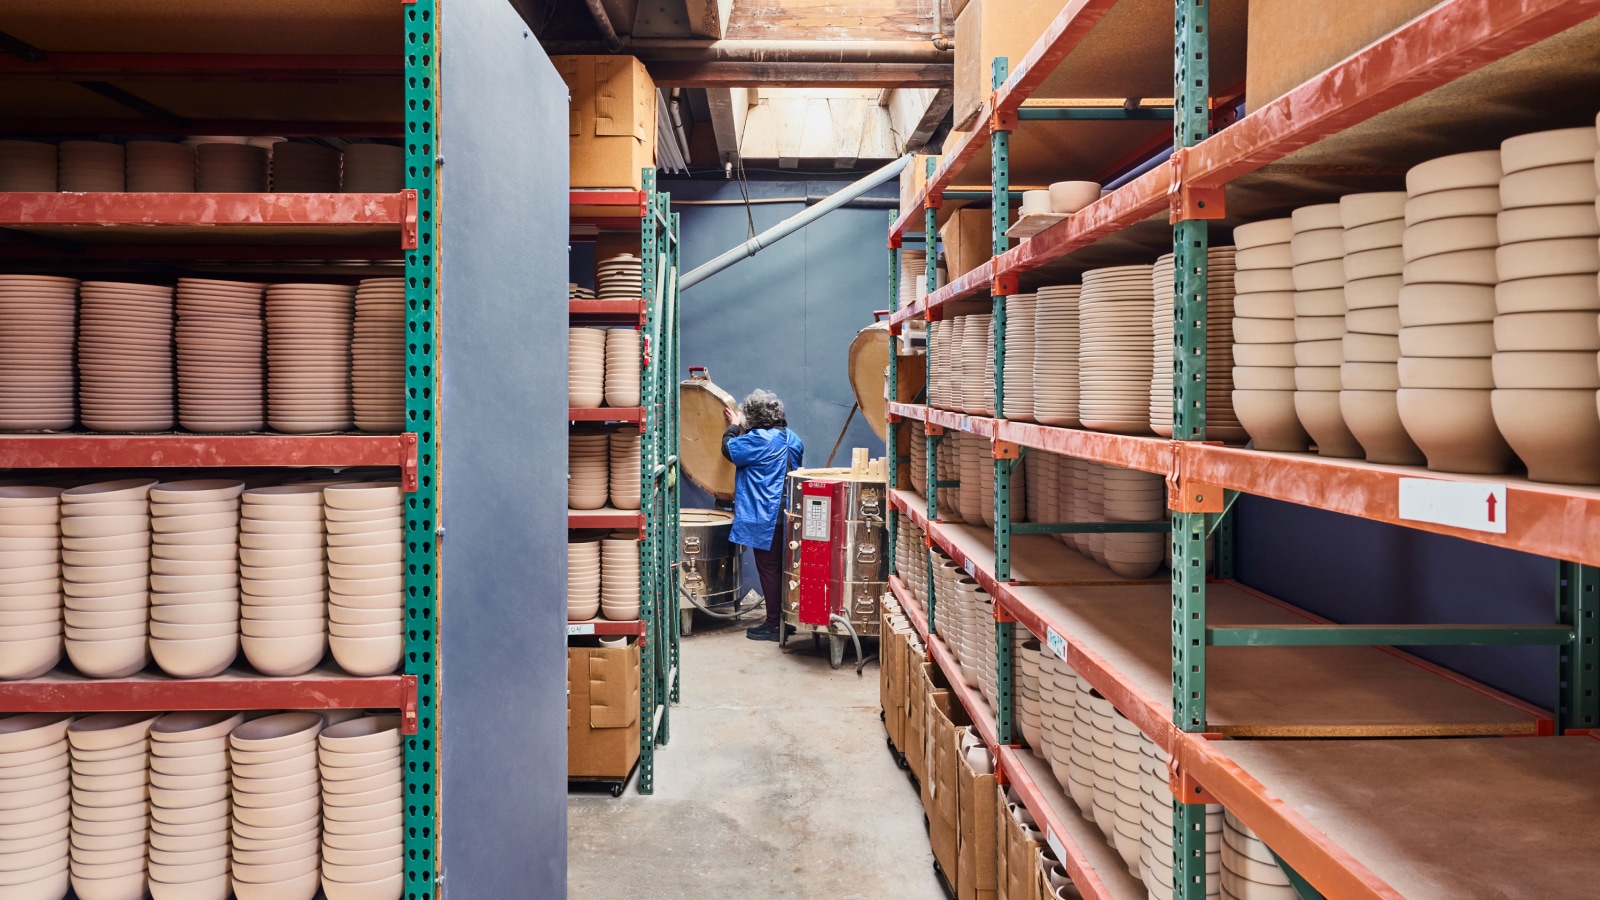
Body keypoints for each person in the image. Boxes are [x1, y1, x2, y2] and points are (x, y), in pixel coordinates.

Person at [721, 389, 805, 641]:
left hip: (766, 515)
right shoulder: (792, 438)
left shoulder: (757, 439)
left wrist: (734, 426)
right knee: (786, 569)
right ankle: (783, 619)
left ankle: (772, 625)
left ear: (753, 417)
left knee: (768, 569)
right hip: (791, 513)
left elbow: (729, 450)